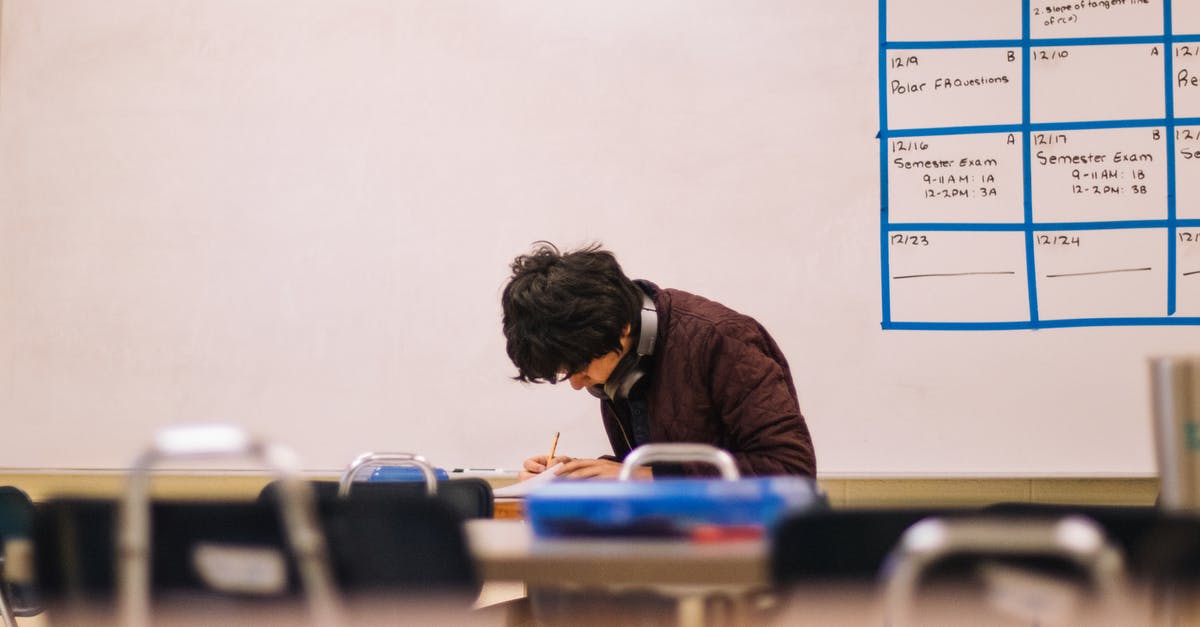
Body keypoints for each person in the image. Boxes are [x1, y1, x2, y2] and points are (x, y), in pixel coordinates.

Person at [501, 241, 816, 480]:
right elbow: (661, 466)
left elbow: (791, 469)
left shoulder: (722, 339)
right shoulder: (623, 360)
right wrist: (582, 475)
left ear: (621, 329)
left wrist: (641, 477)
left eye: (580, 368)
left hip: (744, 552)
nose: (576, 384)